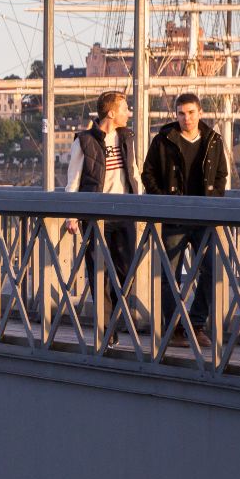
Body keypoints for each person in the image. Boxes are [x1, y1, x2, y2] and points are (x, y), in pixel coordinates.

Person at [141, 92, 230, 346]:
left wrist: (213, 199)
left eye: (191, 112)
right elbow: (148, 174)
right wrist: (164, 201)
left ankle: (197, 323)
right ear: (176, 115)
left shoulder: (213, 140)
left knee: (212, 269)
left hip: (203, 217)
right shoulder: (163, 140)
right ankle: (175, 329)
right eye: (181, 113)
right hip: (174, 218)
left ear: (200, 113)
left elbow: (221, 175)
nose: (186, 118)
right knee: (170, 274)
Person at [63, 91, 142, 319]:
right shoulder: (84, 141)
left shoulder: (127, 137)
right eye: (125, 108)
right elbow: (74, 180)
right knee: (99, 273)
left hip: (125, 212)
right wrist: (71, 215)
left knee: (127, 271)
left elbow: (134, 172)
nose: (129, 113)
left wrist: (142, 204)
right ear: (111, 112)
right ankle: (105, 328)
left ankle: (115, 317)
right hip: (96, 216)